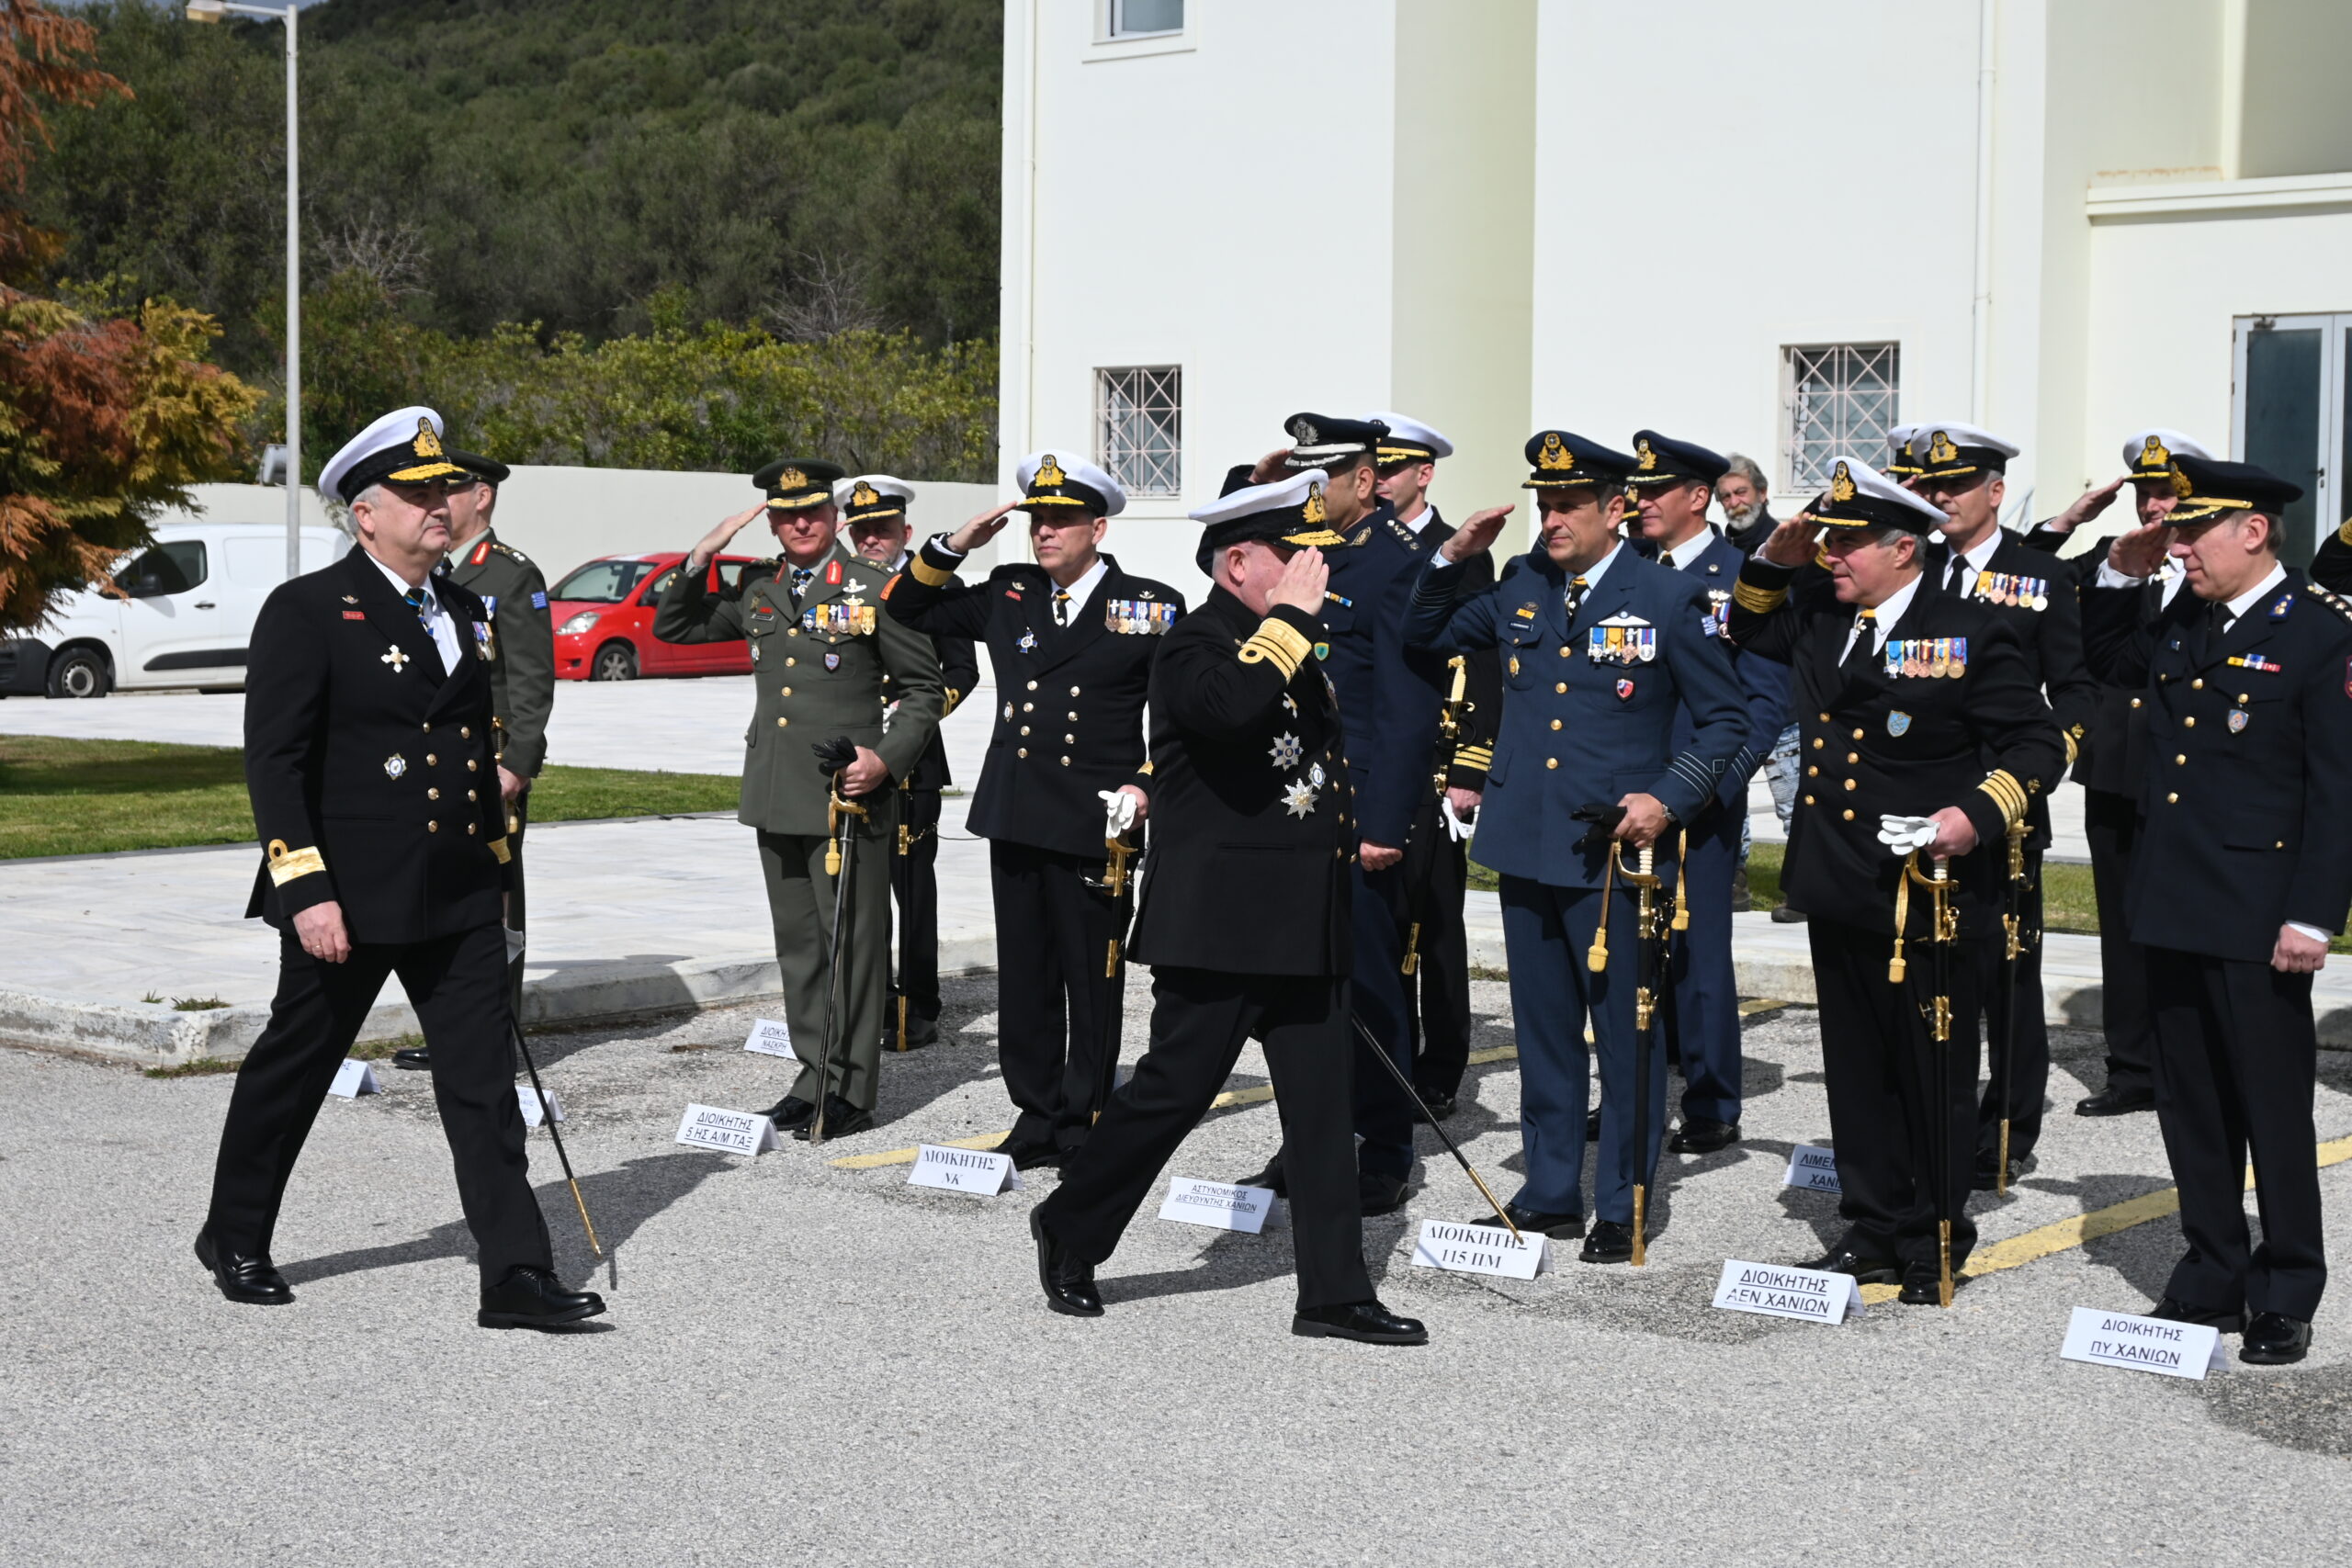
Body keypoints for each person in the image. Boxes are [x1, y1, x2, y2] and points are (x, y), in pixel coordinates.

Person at [196, 406, 603, 1330]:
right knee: (295, 1067)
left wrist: (495, 869)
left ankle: (515, 1274)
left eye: (444, 490)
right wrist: (304, 890)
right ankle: (235, 1233)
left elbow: (468, 749)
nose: (439, 505)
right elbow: (276, 763)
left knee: (481, 1087)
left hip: (455, 889)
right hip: (350, 891)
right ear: (362, 513)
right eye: (416, 494)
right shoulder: (309, 611)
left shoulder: (467, 609)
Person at [1028, 468, 1425, 1346]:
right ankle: (1072, 1222)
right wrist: (1289, 623)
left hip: (1304, 918)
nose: (1307, 570)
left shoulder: (1289, 638)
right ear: (1238, 560)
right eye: (1291, 555)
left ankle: (1333, 1291)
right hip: (1223, 924)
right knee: (1172, 1093)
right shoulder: (1196, 643)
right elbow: (1232, 712)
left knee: (1324, 1114)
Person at [1404, 429, 1748, 1258]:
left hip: (1614, 856)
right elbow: (1425, 633)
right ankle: (1551, 1188)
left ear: (1615, 509)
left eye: (1567, 505)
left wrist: (1668, 798)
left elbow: (1728, 722)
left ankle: (1624, 1200)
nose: (1550, 518)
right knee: (1542, 1030)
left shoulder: (1666, 599)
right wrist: (1453, 555)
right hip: (1525, 841)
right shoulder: (1523, 580)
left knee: (1625, 1036)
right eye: (1543, 504)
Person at [1728, 456, 2064, 1303]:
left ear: (1905, 548)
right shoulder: (1818, 614)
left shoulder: (1972, 630)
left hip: (1932, 890)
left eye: (1849, 543)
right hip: (1839, 879)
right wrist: (1775, 555)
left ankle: (1935, 1233)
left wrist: (1971, 816)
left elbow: (2036, 745)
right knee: (1856, 1064)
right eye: (1829, 540)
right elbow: (1744, 624)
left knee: (1934, 1068)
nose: (1831, 555)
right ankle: (1872, 1225)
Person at [2080, 453, 2352, 1366]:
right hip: (2171, 899)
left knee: (2270, 1109)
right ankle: (2211, 1272)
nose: (2180, 546)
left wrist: (2314, 916)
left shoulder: (2319, 634)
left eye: (2195, 531)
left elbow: (2336, 793)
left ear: (2254, 531)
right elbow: (2101, 662)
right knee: (2191, 1106)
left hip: (2258, 909)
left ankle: (2284, 1289)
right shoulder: (2179, 617)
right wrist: (2121, 571)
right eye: (2176, 531)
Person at [884, 452, 1183, 1168]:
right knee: (1025, 975)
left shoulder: (1149, 605)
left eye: (1061, 520)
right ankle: (1036, 1110)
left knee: (1091, 974)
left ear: (1097, 527)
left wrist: (1146, 784)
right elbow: (906, 605)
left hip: (1095, 820)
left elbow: (1175, 719)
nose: (1044, 531)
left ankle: (1084, 1112)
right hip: (1017, 810)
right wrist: (955, 545)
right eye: (1037, 519)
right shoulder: (1008, 592)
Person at [654, 457, 944, 1139]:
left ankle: (852, 1089)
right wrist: (701, 555)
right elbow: (676, 626)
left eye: (812, 511)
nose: (801, 523)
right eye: (787, 515)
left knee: (855, 945)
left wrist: (885, 759)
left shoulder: (877, 586)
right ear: (774, 522)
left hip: (849, 796)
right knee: (800, 949)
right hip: (777, 791)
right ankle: (812, 1074)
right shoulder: (762, 589)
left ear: (834, 517)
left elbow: (924, 690)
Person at [1233, 414, 1447, 1215]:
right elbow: (1215, 553)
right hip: (1291, 807)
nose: (1309, 490)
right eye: (1302, 475)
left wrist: (1385, 822)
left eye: (1321, 476)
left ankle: (1385, 1149)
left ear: (1365, 479)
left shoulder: (1400, 565)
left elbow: (1407, 706)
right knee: (1298, 992)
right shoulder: (1300, 549)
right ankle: (1310, 1141)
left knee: (1372, 989)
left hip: (1358, 814)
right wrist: (1259, 482)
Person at [1910, 422, 2098, 1188]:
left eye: (1957, 485)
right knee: (1922, 970)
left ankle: (2009, 1127)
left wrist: (2049, 764)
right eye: (1933, 485)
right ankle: (1932, 1119)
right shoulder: (1909, 563)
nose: (1941, 497)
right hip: (1919, 801)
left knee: (2007, 977)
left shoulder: (2036, 574)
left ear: (1995, 491)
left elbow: (2075, 688)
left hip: (2004, 806)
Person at [2018, 428, 2211, 1117]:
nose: (2156, 506)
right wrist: (2066, 523)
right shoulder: (2104, 560)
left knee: (2193, 921)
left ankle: (2195, 1063)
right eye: (2147, 493)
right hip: (2119, 768)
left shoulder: (2212, 561)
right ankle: (2133, 1069)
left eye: (2170, 492)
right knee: (2124, 926)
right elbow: (2007, 582)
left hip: (2194, 770)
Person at [1625, 430, 1790, 1153]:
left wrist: (1703, 787)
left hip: (1700, 796)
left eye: (1655, 490)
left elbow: (1764, 701)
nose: (1639, 502)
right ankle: (1633, 1091)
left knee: (1696, 953)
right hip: (1628, 798)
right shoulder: (1624, 568)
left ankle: (1711, 1098)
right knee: (1627, 952)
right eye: (1637, 489)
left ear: (1698, 497)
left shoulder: (1741, 575)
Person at [390, 448, 554, 1073]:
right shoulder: (433, 572)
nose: (436, 502)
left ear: (480, 496)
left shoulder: (511, 575)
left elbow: (535, 682)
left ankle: (493, 1032)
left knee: (497, 901)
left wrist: (518, 762)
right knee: (445, 895)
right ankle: (451, 1025)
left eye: (447, 490)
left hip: (493, 767)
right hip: (441, 765)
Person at [1369, 412, 1499, 1120]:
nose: (1381, 478)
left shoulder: (1460, 553)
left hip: (1436, 760)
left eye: (1393, 468)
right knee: (1378, 924)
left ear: (1424, 473)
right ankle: (1385, 1052)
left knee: (1438, 925)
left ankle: (1442, 1063)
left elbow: (1484, 666)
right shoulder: (1359, 542)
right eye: (1374, 467)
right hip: (1380, 751)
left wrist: (1469, 770)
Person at [839, 472, 980, 1052]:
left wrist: (908, 720)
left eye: (884, 529)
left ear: (907, 531)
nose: (873, 540)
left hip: (912, 760)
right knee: (850, 890)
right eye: (863, 530)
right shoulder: (836, 590)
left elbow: (962, 672)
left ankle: (918, 1003)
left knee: (911, 889)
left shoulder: (938, 587)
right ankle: (864, 998)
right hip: (844, 760)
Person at [1716, 451, 1777, 558]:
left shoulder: (1781, 545)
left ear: (1762, 493)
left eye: (1741, 492)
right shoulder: (1718, 549)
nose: (1734, 503)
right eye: (1726, 496)